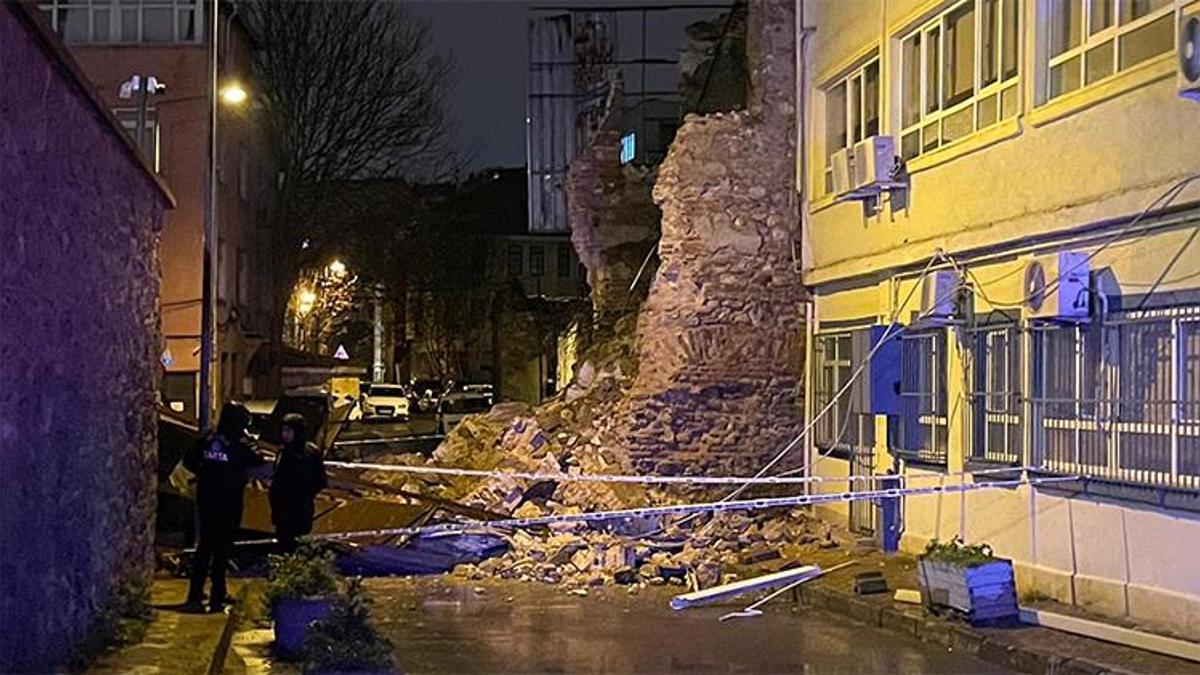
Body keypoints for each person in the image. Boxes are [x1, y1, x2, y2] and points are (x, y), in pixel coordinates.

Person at [184, 401, 264, 613]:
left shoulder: (206, 439)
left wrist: (205, 473)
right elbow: (258, 460)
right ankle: (217, 595)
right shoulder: (239, 443)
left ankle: (195, 593)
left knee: (204, 546)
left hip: (207, 498)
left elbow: (188, 461)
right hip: (229, 500)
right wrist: (250, 442)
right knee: (222, 548)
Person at [269, 413, 327, 553]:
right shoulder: (283, 451)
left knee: (298, 546)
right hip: (282, 510)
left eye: (288, 431)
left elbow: (320, 480)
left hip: (300, 510)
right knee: (283, 545)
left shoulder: (310, 452)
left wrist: (303, 494)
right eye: (284, 430)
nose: (285, 434)